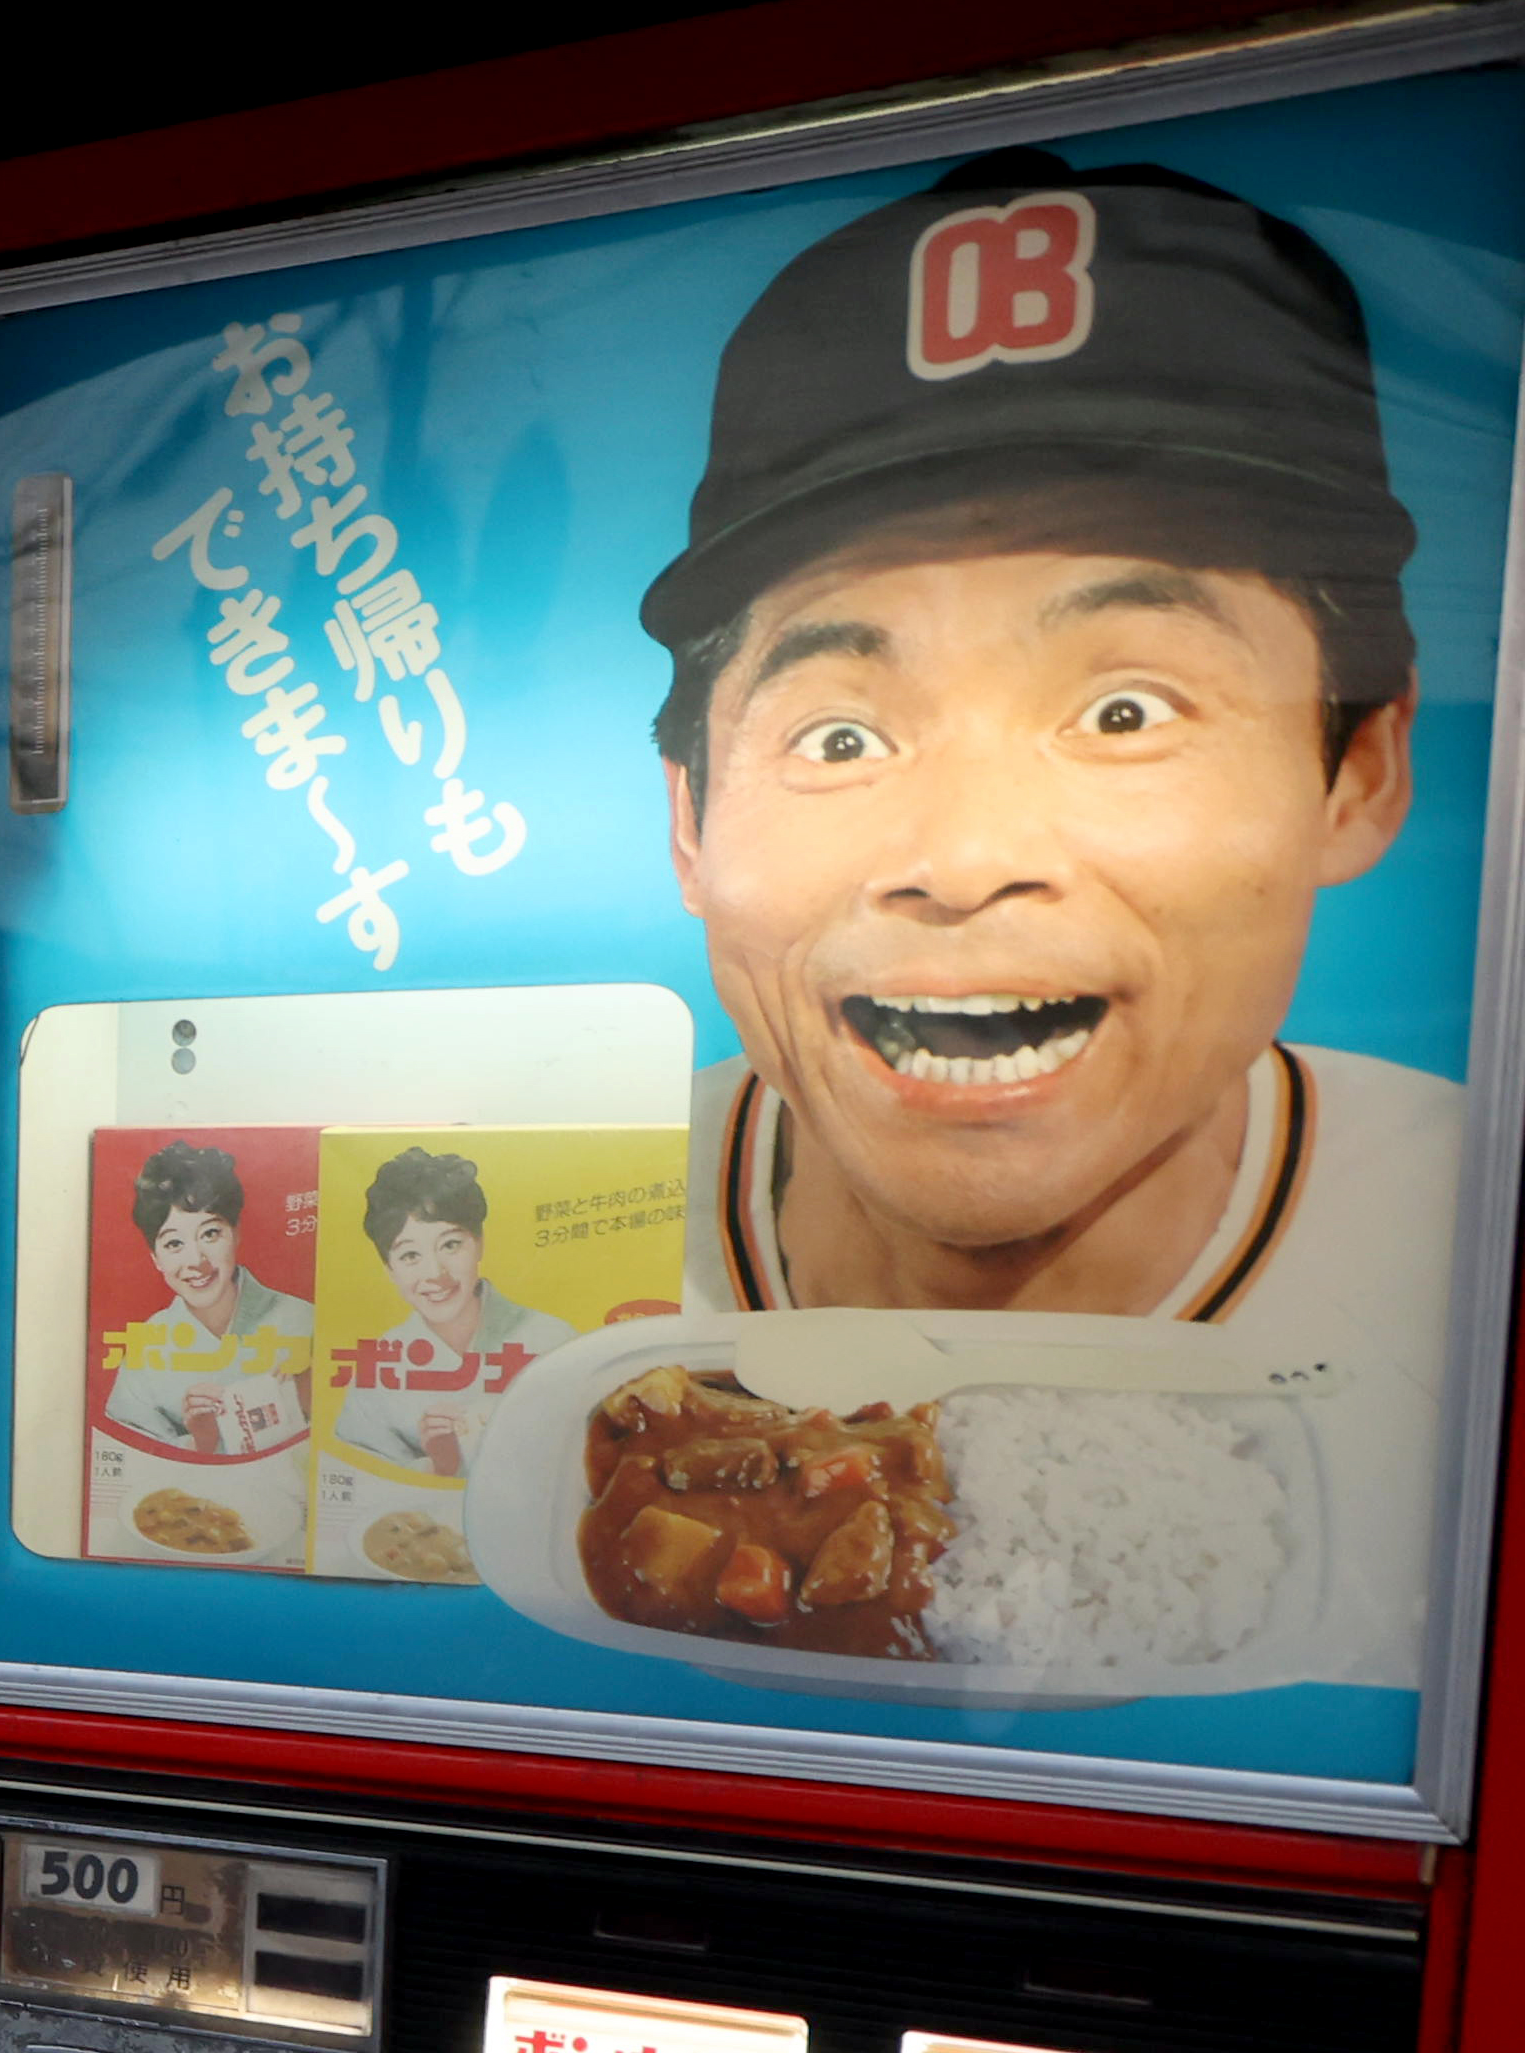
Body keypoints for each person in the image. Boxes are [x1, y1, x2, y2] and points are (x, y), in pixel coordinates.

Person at [650, 149, 1459, 1635]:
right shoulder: (570, 1235)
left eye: (1127, 713)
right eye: (842, 734)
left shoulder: (1473, 1240)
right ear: (690, 820)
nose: (962, 861)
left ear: (1356, 772)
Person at [325, 1143, 575, 1485]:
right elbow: (357, 1483)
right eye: (410, 1256)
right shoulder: (379, 1362)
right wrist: (437, 1466)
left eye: (451, 1245)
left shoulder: (553, 1339)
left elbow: (583, 1460)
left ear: (479, 1242)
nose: (435, 1273)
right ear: (389, 1269)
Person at [97, 1141, 314, 1458]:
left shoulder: (304, 1321)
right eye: (173, 1244)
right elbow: (126, 1458)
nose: (196, 1261)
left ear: (236, 1233)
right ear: (155, 1257)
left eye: (210, 1234)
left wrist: (305, 1402)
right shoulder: (147, 1344)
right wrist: (200, 1443)